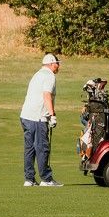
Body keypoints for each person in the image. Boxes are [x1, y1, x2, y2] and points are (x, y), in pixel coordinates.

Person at [20, 53, 63, 187]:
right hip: (37, 118)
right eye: (57, 63)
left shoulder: (38, 74)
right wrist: (52, 115)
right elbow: (46, 95)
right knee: (42, 147)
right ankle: (46, 179)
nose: (58, 65)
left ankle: (29, 179)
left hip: (26, 116)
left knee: (30, 149)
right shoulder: (49, 76)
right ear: (51, 63)